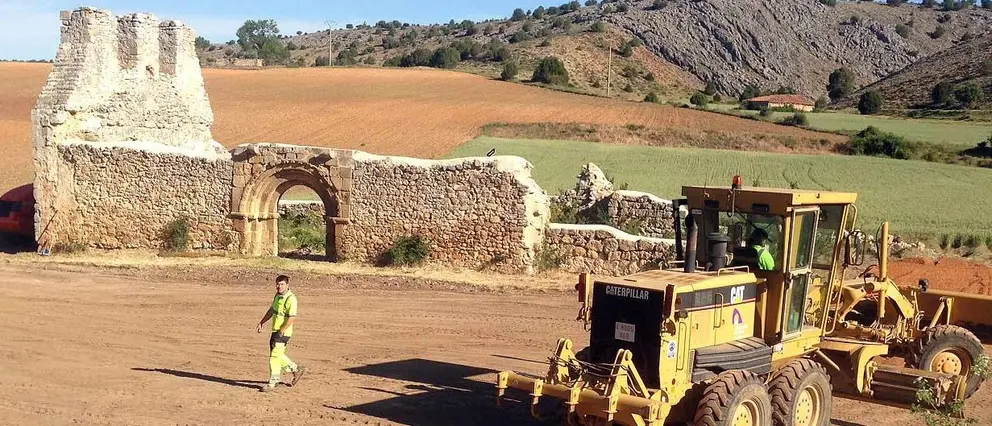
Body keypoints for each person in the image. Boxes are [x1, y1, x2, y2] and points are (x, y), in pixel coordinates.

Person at [256, 274, 306, 392]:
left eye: (282, 284)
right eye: (277, 284)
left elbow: (292, 317)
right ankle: (296, 369)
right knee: (277, 356)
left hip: (283, 332)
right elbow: (272, 310)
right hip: (275, 330)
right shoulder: (277, 296)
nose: (279, 287)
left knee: (274, 356)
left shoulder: (291, 299)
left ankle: (273, 383)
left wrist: (282, 330)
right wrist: (262, 322)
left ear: (287, 285)